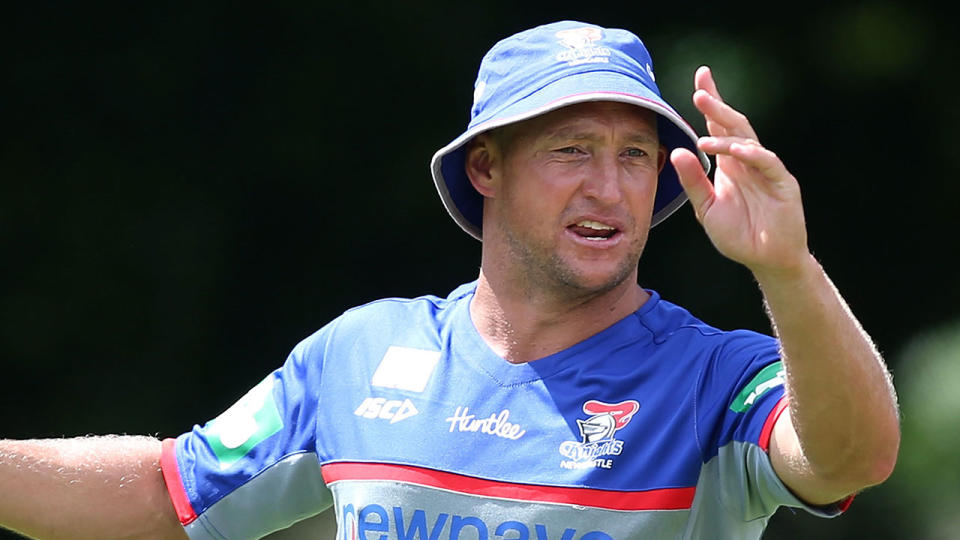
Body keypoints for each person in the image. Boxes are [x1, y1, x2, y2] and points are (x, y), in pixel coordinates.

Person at [0, 20, 900, 540]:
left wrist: (788, 268)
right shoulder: (361, 353)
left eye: (635, 156)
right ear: (485, 168)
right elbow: (170, 492)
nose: (611, 186)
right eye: (572, 151)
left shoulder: (712, 379)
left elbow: (853, 459)